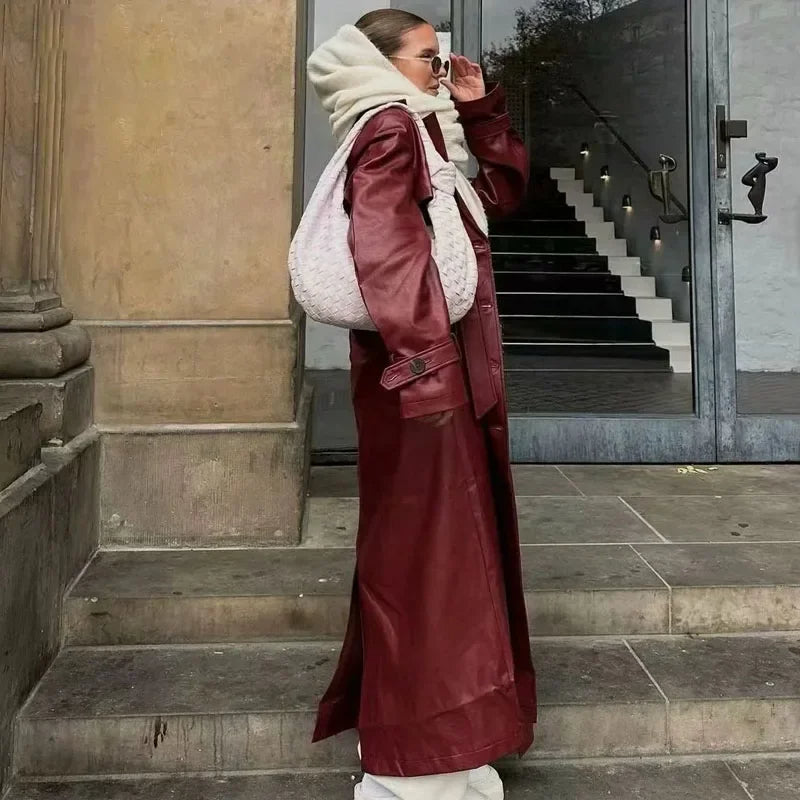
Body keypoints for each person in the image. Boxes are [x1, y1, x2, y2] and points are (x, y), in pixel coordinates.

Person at [306, 10, 537, 800]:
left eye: (443, 60)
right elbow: (387, 249)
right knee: (426, 566)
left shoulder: (426, 127)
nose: (441, 70)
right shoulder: (393, 129)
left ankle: (445, 745)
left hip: (430, 379)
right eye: (429, 58)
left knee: (442, 563)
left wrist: (477, 108)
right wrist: (429, 370)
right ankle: (416, 763)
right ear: (381, 63)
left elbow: (498, 197)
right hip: (422, 384)